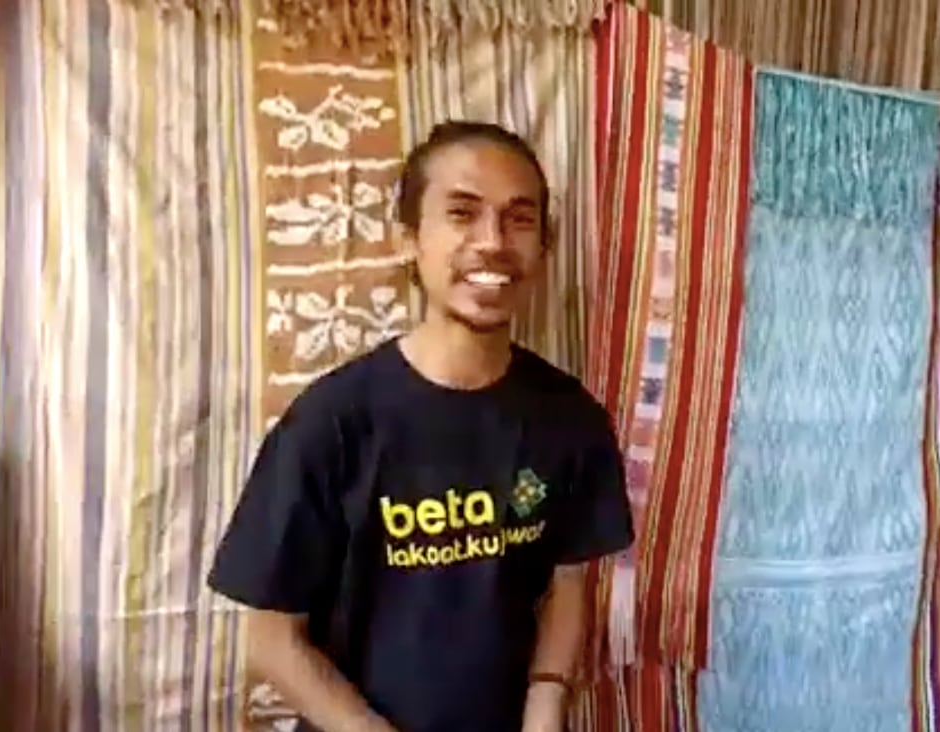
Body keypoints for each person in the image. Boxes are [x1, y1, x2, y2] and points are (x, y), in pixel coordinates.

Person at [207, 120, 634, 732]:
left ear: (544, 246)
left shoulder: (573, 419)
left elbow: (567, 584)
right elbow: (272, 639)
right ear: (408, 239)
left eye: (519, 219)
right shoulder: (330, 423)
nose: (492, 242)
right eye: (462, 214)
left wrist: (545, 705)